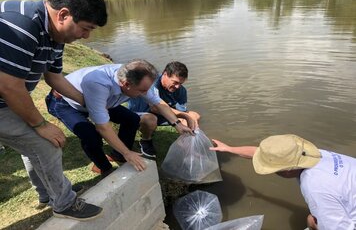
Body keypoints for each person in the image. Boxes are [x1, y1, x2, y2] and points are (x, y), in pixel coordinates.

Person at [0, 0, 107, 220]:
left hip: (6, 98)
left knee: (34, 147)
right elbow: (9, 86)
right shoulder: (22, 24)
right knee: (47, 144)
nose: (86, 36)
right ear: (64, 15)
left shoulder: (54, 33)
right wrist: (40, 124)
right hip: (5, 97)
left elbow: (54, 77)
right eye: (86, 28)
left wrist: (88, 103)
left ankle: (48, 195)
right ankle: (65, 204)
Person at [46, 59, 194, 176]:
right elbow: (103, 127)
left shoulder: (136, 78)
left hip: (102, 101)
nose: (146, 93)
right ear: (126, 84)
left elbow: (158, 103)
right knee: (91, 135)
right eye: (142, 91)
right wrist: (128, 153)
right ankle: (104, 167)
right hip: (65, 102)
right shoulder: (98, 84)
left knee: (132, 119)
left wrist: (177, 124)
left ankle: (118, 155)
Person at [210, 134, 356, 230]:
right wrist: (228, 149)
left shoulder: (314, 186)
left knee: (311, 221)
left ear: (286, 171)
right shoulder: (315, 154)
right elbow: (261, 153)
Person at [128, 61, 200, 158]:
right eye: (175, 82)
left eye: (180, 83)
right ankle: (145, 140)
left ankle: (188, 147)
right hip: (142, 114)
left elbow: (181, 111)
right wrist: (185, 116)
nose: (177, 86)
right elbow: (155, 108)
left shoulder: (181, 90)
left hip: (163, 115)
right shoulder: (151, 82)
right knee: (151, 119)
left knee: (194, 115)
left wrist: (188, 117)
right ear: (165, 74)